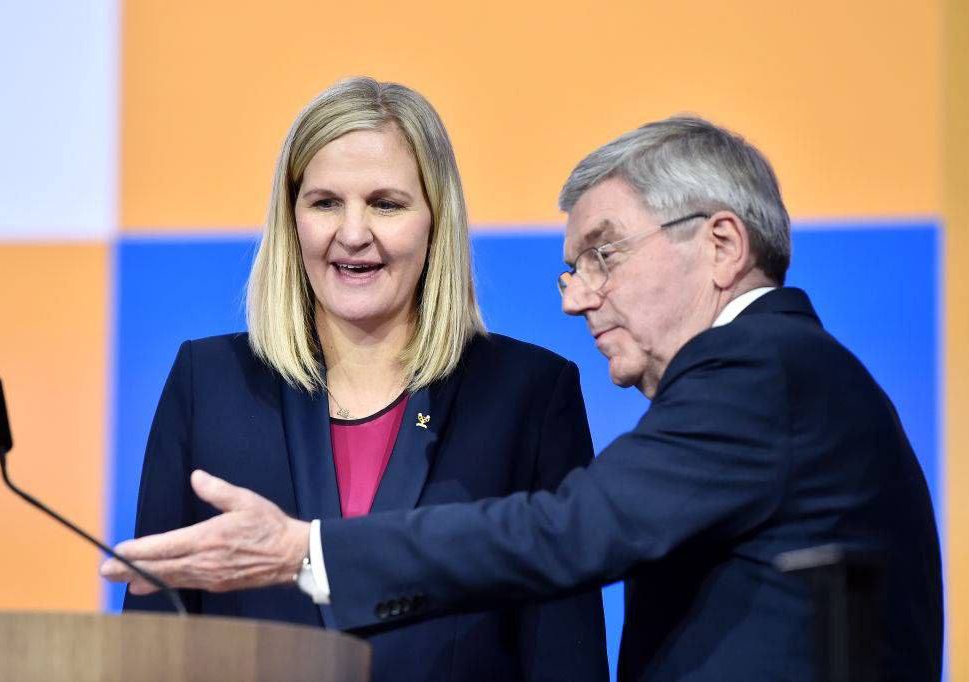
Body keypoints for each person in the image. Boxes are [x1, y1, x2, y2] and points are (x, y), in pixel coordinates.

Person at [104, 115, 943, 680]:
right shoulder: (780, 375)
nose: (577, 297)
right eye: (572, 267)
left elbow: (567, 531)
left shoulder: (762, 374)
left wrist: (305, 551)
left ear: (721, 244)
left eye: (603, 255)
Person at [116, 77, 608, 682]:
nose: (352, 233)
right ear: (292, 219)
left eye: (386, 204)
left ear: (435, 219)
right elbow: (154, 644)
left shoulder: (527, 394)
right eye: (325, 203)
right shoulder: (209, 383)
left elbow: (565, 655)